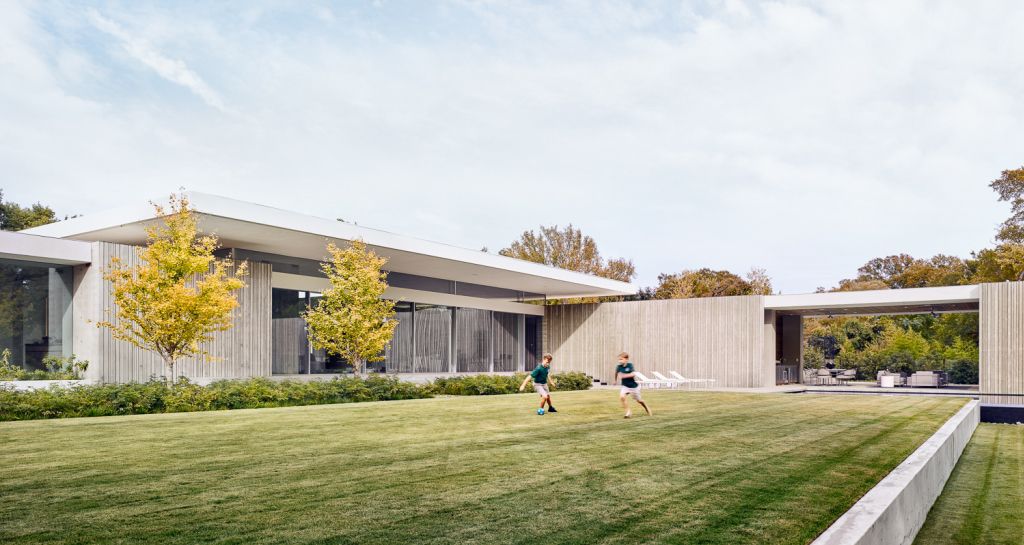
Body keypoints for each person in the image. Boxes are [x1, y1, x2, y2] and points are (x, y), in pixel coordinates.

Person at [614, 352, 652, 418]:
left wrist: (624, 376)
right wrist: (615, 380)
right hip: (625, 386)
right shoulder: (618, 367)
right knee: (622, 397)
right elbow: (616, 373)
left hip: (633, 387)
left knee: (639, 401)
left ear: (626, 359)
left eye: (621, 359)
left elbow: (633, 374)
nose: (619, 361)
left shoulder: (630, 365)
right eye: (619, 359)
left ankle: (646, 407)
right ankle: (628, 412)